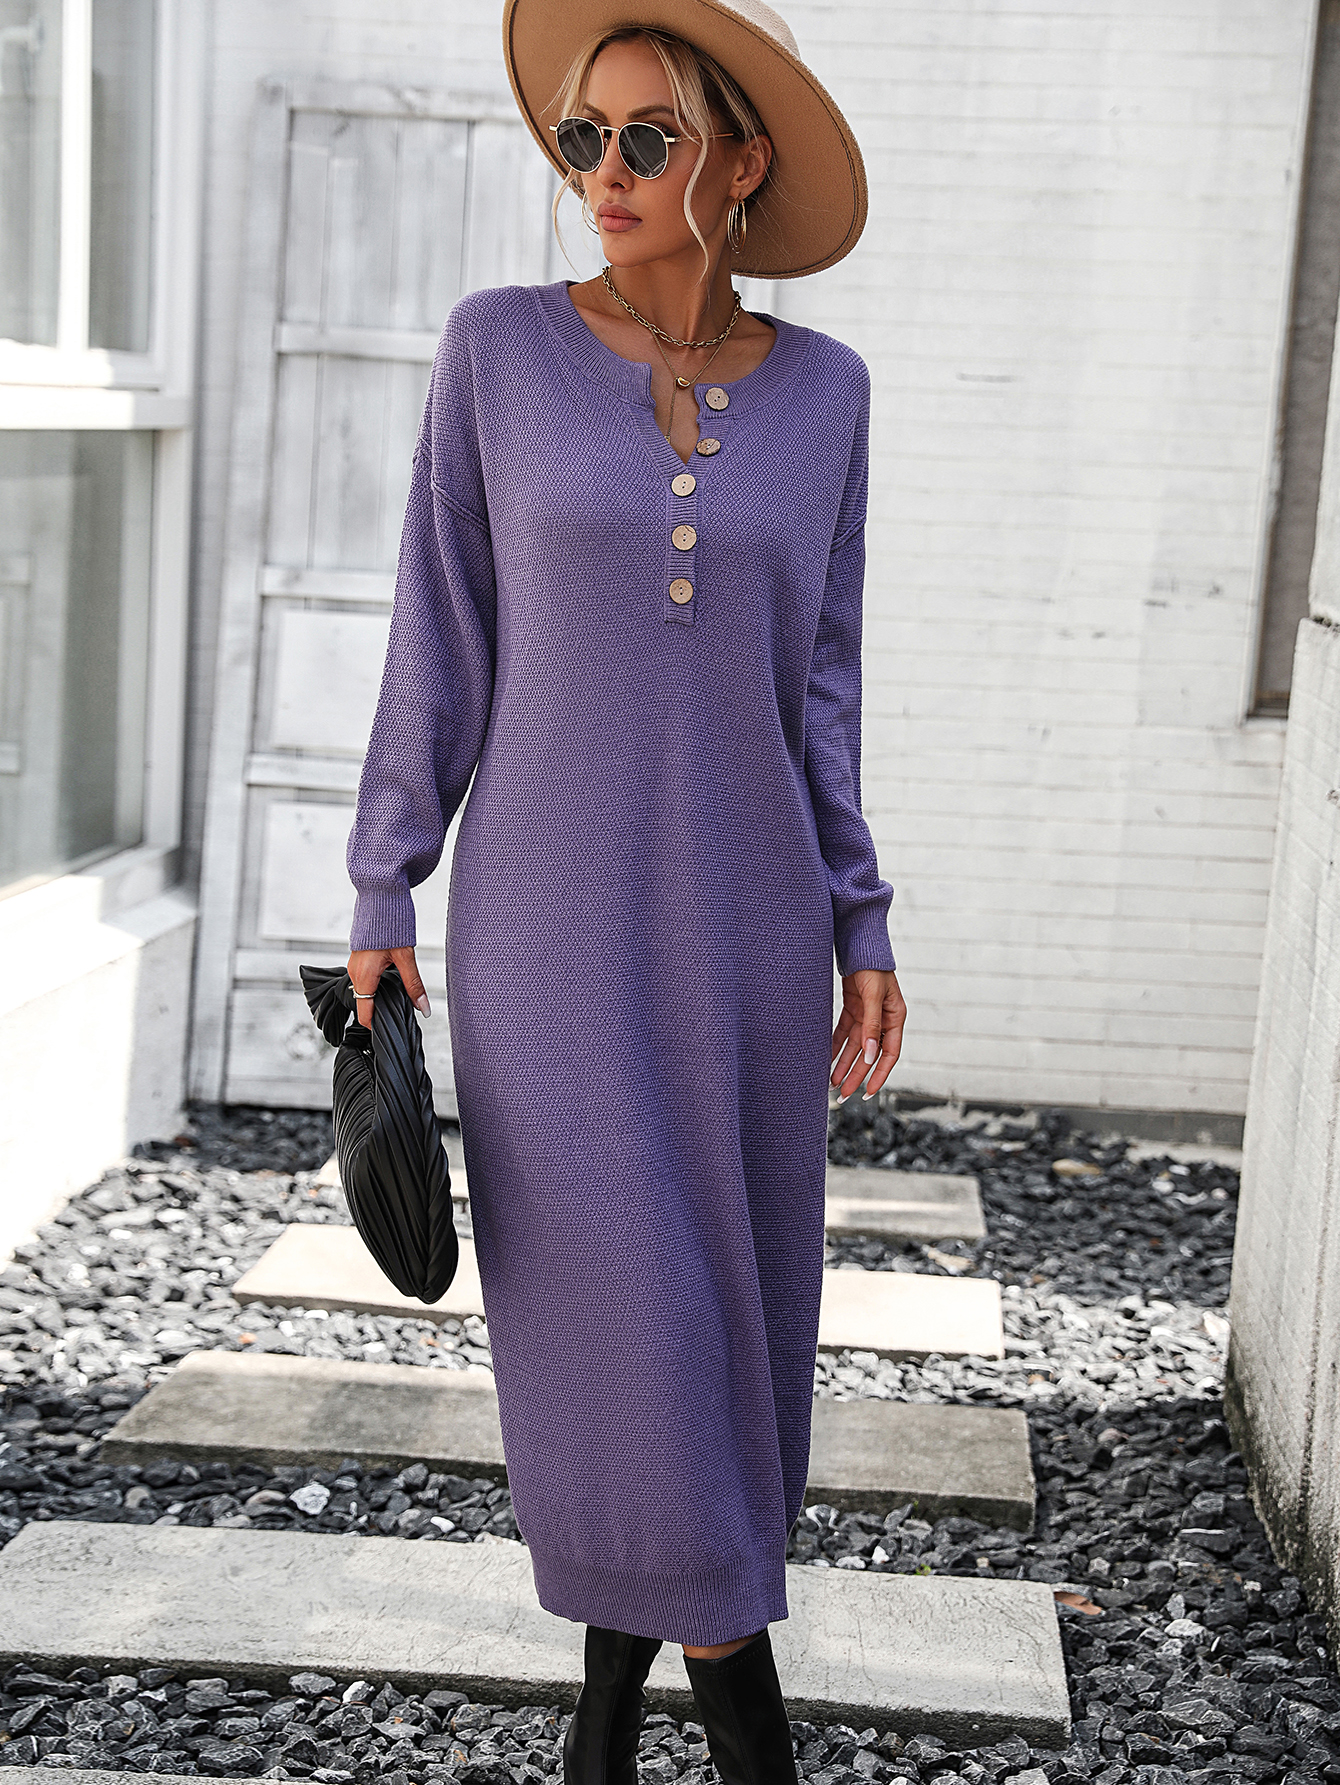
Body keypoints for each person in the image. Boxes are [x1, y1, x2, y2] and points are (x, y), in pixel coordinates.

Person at [344, 0, 907, 1777]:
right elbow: (438, 632)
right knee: (628, 1322)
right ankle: (742, 1723)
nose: (603, 170)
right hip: (550, 938)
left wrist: (862, 915)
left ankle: (599, 1730)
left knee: (721, 1324)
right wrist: (383, 883)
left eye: (647, 138)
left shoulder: (827, 396)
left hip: (746, 934)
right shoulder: (496, 353)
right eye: (583, 137)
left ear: (739, 161)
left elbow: (823, 683)